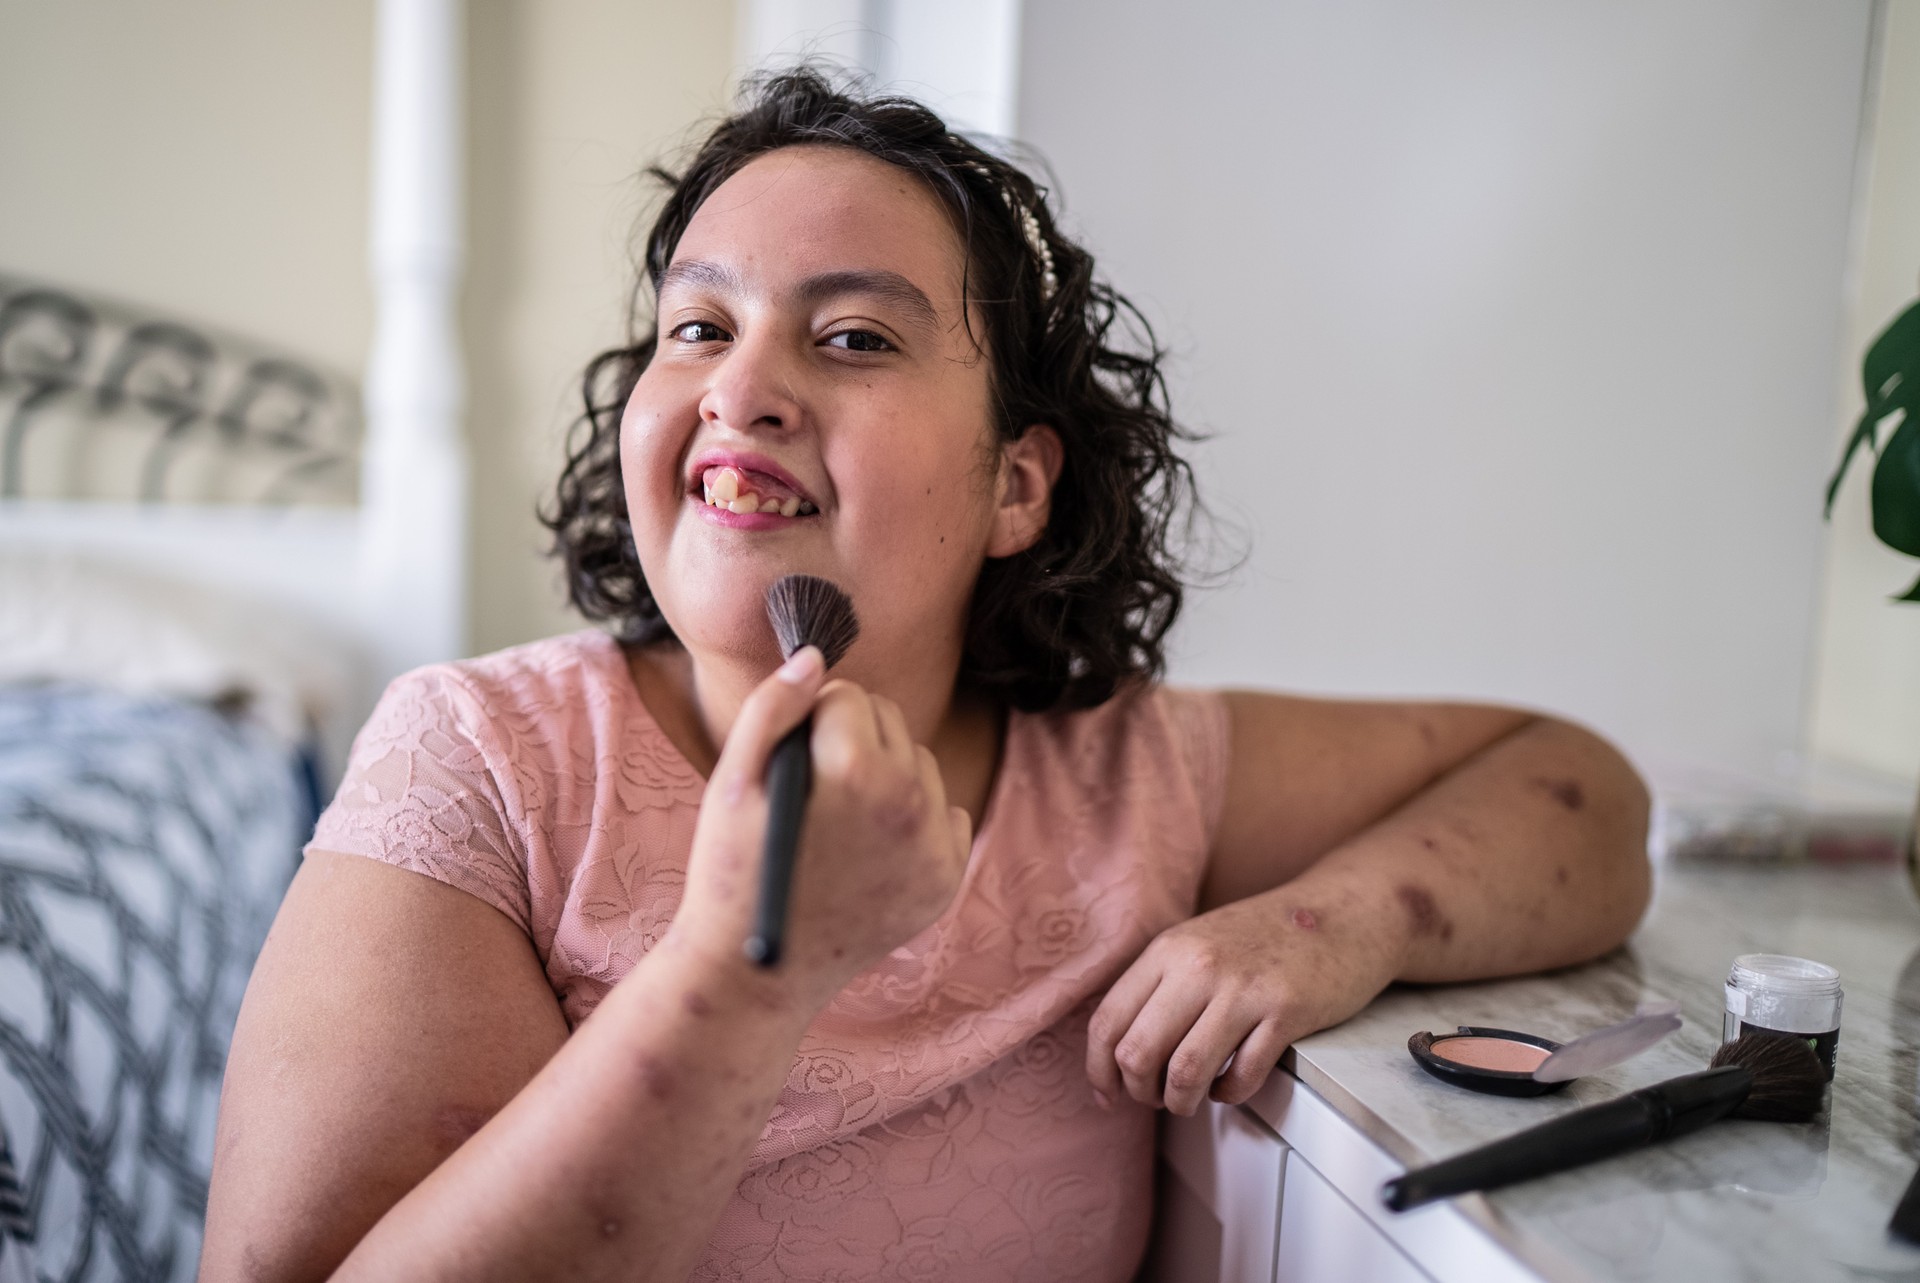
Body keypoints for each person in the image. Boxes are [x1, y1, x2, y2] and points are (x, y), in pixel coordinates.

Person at [199, 69, 1650, 1283]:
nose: (740, 387)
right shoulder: (484, 762)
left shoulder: (1126, 781)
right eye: (698, 327)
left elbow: (1579, 791)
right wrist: (741, 973)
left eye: (852, 338)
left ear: (1015, 487)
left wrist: (1327, 929)